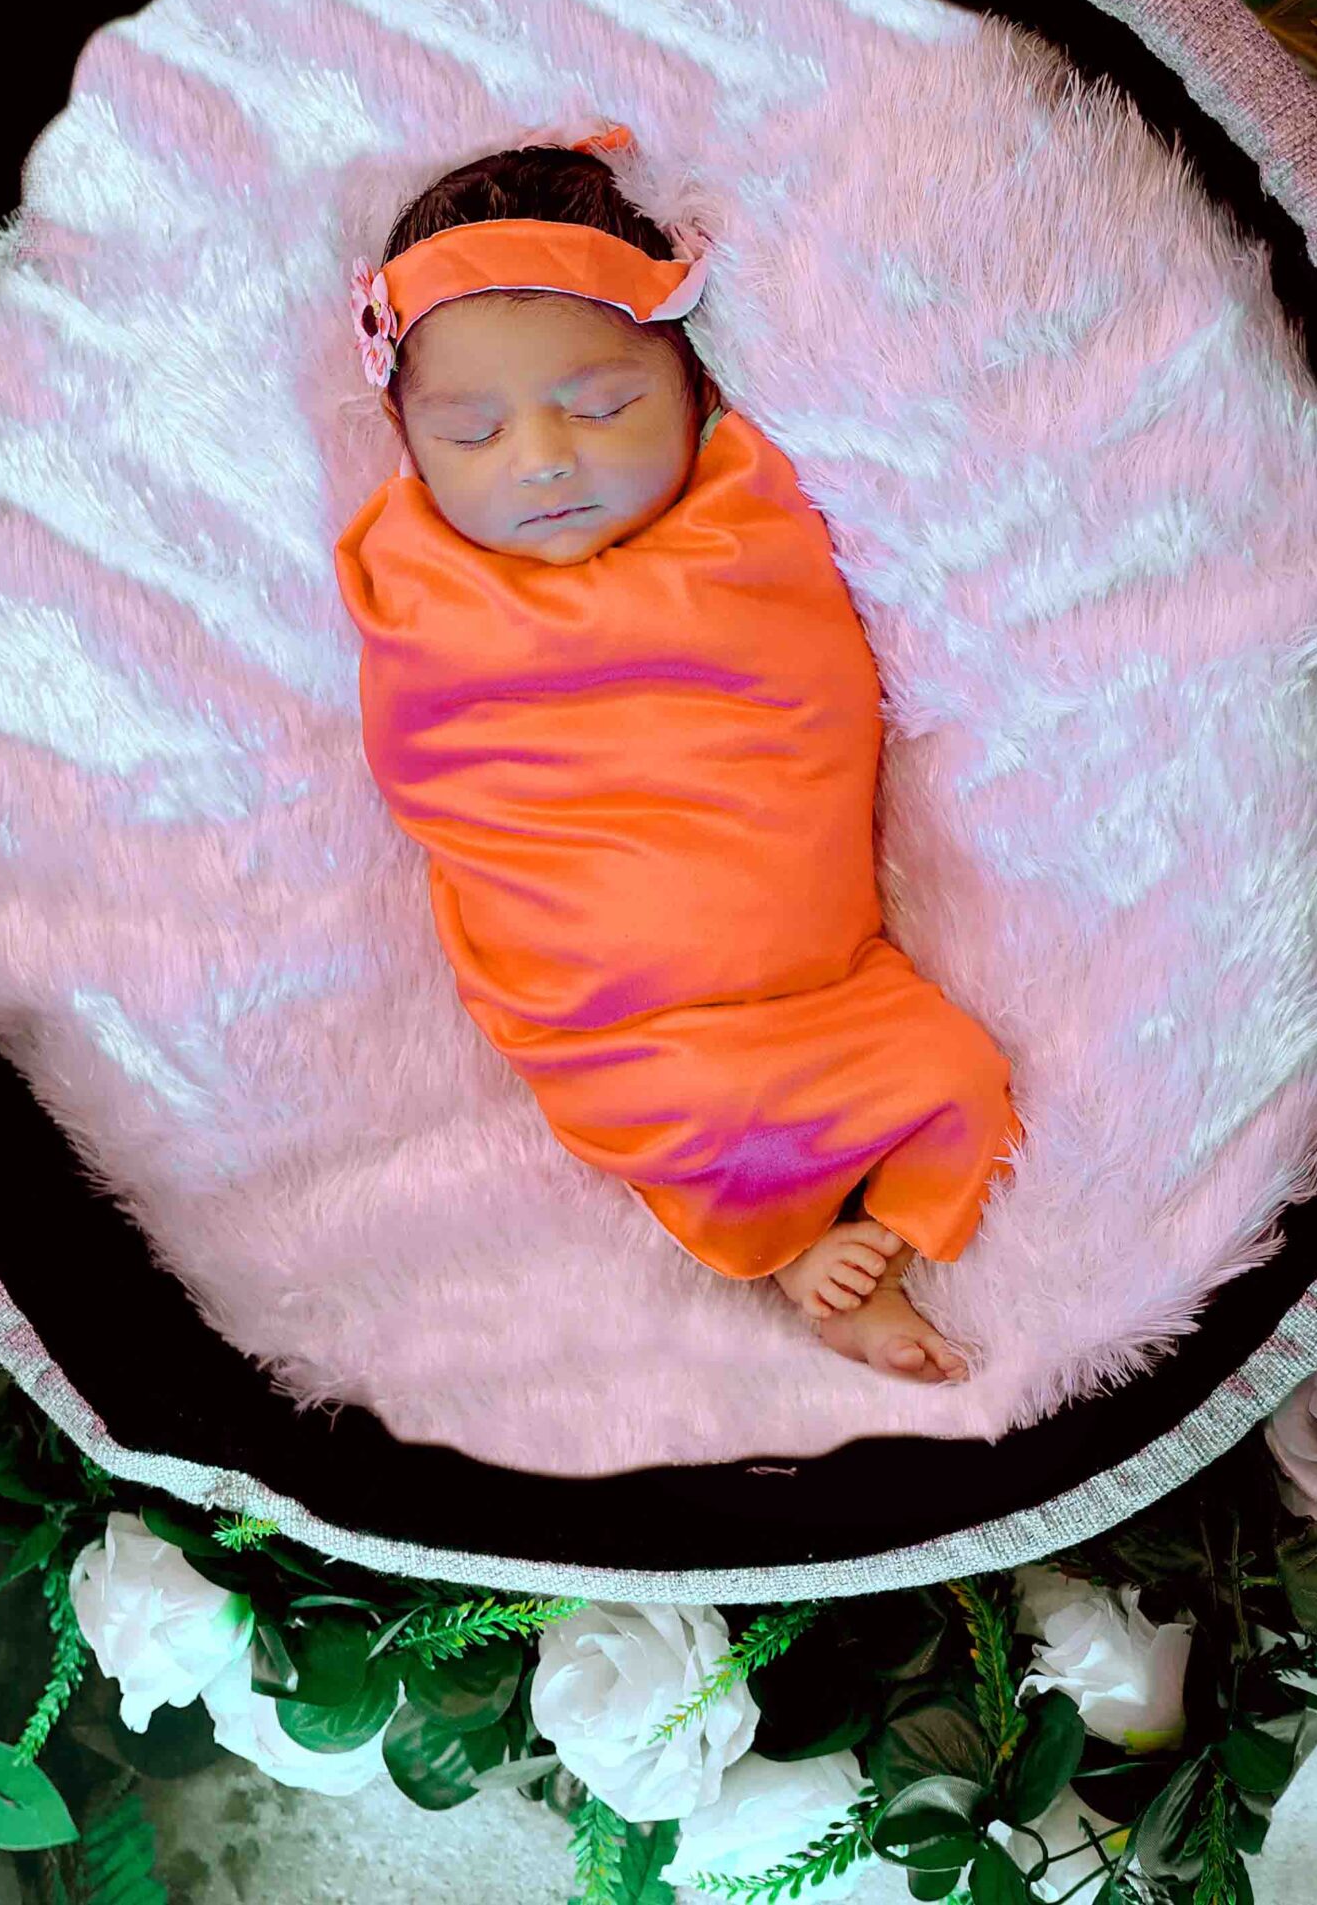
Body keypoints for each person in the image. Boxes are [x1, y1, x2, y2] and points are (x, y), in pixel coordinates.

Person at [332, 123, 1022, 1385]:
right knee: (688, 1113)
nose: (545, 459)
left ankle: (874, 1227)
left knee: (957, 1077)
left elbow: (810, 693)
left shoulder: (743, 517)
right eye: (472, 434)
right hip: (610, 1001)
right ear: (407, 442)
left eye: (604, 407)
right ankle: (799, 1250)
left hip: (819, 970)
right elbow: (433, 759)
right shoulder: (417, 574)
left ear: (693, 385)